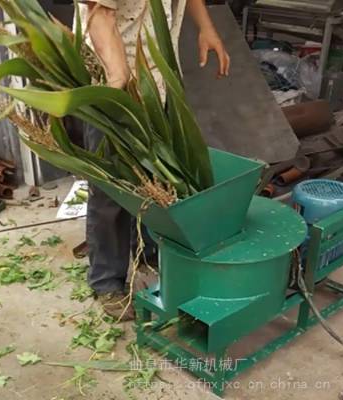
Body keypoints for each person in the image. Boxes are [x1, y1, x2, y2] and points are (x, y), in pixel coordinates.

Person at [78, 0, 230, 320]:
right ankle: (107, 280)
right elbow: (100, 14)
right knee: (110, 190)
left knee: (153, 180)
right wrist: (118, 79)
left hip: (156, 83)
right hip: (113, 88)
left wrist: (207, 28)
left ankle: (145, 259)